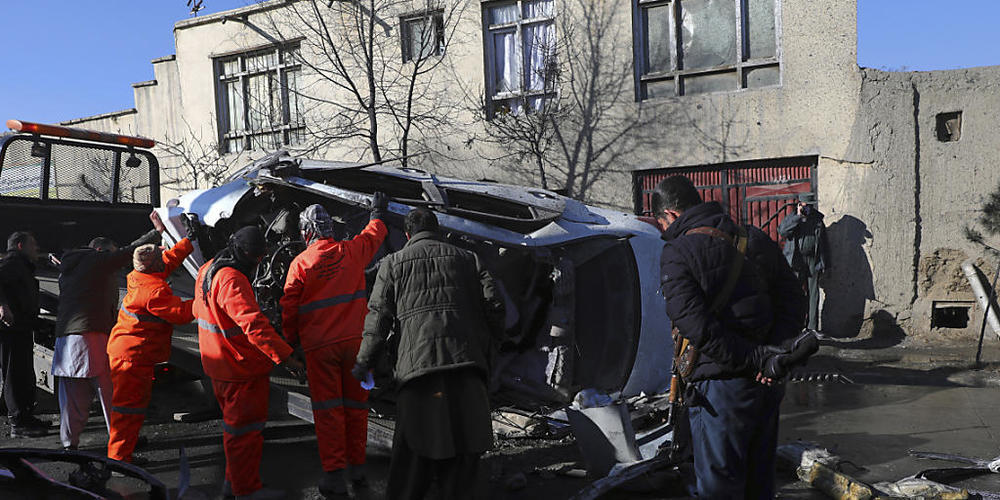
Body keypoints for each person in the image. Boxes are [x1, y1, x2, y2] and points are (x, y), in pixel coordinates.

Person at [651, 175, 808, 499]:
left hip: (721, 388)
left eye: (661, 224)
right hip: (766, 385)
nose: (664, 232)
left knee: (719, 487)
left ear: (670, 214)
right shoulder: (754, 238)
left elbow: (697, 328)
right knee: (758, 482)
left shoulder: (678, 253)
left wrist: (758, 360)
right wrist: (772, 355)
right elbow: (793, 297)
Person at [354, 208, 504, 500]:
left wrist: (364, 362)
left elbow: (377, 318)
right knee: (465, 450)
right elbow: (495, 306)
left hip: (419, 373)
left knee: (413, 456)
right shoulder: (468, 258)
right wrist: (490, 349)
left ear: (408, 235)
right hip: (467, 367)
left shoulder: (393, 263)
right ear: (439, 231)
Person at [280, 196, 388, 498]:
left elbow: (289, 308)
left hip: (320, 350)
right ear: (329, 229)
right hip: (355, 345)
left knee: (329, 413)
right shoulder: (351, 251)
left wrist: (291, 345)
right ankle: (358, 471)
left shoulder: (300, 263)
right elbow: (374, 234)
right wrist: (378, 212)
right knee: (356, 409)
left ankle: (334, 476)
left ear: (306, 233)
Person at [193, 225, 305, 500]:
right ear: (245, 253)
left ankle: (234, 486)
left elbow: (198, 309)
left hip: (218, 363)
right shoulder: (231, 279)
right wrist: (288, 358)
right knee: (246, 434)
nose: (257, 263)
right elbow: (254, 326)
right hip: (239, 368)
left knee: (237, 432)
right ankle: (245, 491)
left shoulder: (208, 267)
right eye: (255, 258)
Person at [53, 212, 165, 450]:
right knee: (110, 392)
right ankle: (122, 441)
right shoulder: (96, 261)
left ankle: (69, 445)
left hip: (66, 339)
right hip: (92, 336)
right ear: (102, 251)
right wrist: (157, 232)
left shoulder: (70, 267)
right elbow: (129, 252)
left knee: (73, 398)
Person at [106, 236, 195, 464]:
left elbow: (166, 261)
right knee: (128, 409)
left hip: (129, 351)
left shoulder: (140, 275)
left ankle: (125, 447)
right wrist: (208, 295)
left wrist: (187, 242)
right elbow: (182, 313)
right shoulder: (154, 291)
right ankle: (119, 460)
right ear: (154, 265)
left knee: (133, 406)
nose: (164, 257)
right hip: (132, 356)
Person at [0, 231, 51, 437]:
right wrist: (3, 306)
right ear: (20, 246)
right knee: (14, 373)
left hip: (21, 327)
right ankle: (18, 422)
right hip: (10, 328)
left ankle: (25, 416)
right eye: (33, 244)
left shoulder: (21, 266)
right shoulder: (12, 263)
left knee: (23, 372)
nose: (37, 248)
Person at [778, 193, 830, 330]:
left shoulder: (817, 219)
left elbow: (824, 243)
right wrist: (798, 217)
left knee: (813, 295)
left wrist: (825, 265)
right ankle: (794, 327)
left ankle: (812, 328)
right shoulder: (792, 217)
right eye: (806, 206)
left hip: (813, 259)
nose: (808, 209)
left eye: (811, 206)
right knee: (794, 293)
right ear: (799, 204)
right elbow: (782, 232)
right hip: (796, 259)